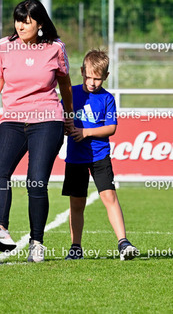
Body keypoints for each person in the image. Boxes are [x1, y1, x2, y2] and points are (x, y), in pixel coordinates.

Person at [0, 0, 73, 262]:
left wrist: (70, 117)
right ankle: (0, 229)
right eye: (18, 20)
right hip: (12, 120)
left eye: (27, 21)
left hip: (48, 120)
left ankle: (37, 242)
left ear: (40, 23)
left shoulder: (55, 48)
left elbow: (66, 85)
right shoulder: (4, 46)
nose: (21, 26)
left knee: (35, 180)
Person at [62, 49, 139, 261]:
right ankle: (76, 247)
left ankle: (123, 242)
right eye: (88, 77)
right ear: (81, 72)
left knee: (109, 196)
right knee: (77, 203)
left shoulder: (107, 98)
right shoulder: (71, 93)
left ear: (106, 76)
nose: (92, 82)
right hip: (75, 157)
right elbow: (60, 118)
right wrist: (65, 126)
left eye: (97, 78)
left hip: (99, 156)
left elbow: (111, 127)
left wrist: (85, 131)